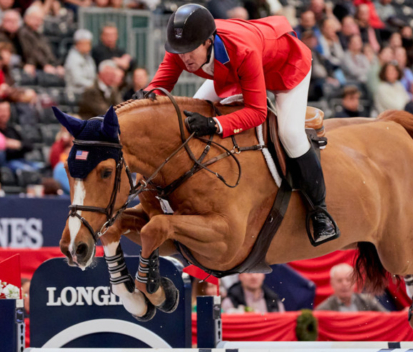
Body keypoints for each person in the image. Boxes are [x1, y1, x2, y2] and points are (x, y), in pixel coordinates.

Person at [140, 5, 339, 244]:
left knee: (290, 134)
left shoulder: (241, 50)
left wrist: (215, 124)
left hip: (284, 68)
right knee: (190, 117)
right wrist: (143, 100)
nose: (184, 58)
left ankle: (320, 211)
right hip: (236, 71)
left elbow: (257, 112)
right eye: (179, 52)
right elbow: (159, 88)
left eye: (190, 51)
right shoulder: (182, 47)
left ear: (208, 42)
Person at [0, 100, 41, 173]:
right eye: (0, 111)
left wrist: (17, 144)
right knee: (30, 171)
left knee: (42, 167)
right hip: (7, 165)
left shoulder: (12, 129)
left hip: (22, 161)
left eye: (6, 110)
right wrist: (16, 147)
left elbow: (29, 146)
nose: (4, 114)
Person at [315, 264, 387, 312]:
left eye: (348, 280)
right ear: (332, 283)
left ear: (355, 282)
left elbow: (389, 318)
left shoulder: (367, 301)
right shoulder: (324, 310)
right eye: (339, 281)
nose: (344, 284)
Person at [18, 6, 64, 77]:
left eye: (40, 20)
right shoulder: (23, 32)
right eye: (36, 19)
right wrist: (45, 65)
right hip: (34, 66)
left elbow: (48, 51)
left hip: (44, 65)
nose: (38, 22)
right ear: (26, 18)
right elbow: (32, 52)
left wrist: (56, 65)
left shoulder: (38, 34)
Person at [64, 29, 97, 98]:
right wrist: (94, 85)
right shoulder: (73, 58)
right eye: (87, 44)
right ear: (78, 44)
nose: (89, 46)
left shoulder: (88, 58)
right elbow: (77, 80)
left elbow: (93, 75)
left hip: (89, 92)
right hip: (76, 93)